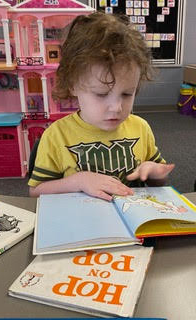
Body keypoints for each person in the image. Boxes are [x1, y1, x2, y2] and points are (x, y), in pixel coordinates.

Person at [28, 11, 174, 201]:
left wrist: (155, 173)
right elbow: (36, 191)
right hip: (81, 222)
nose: (116, 107)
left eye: (127, 94)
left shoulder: (140, 128)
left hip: (130, 223)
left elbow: (159, 182)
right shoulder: (56, 136)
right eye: (101, 94)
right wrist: (78, 181)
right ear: (73, 84)